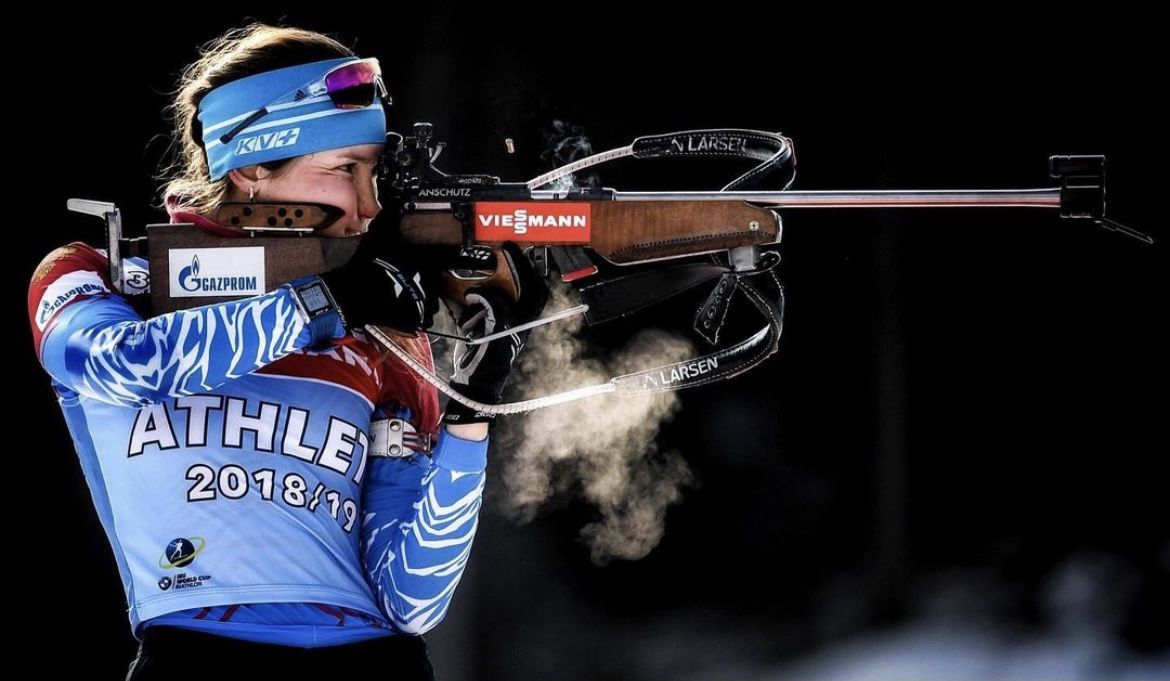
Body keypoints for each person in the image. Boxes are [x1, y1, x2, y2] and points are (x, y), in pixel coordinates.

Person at [27, 22, 546, 680]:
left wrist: (473, 409)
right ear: (251, 168)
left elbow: (411, 600)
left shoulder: (381, 332)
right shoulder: (102, 276)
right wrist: (320, 305)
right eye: (346, 169)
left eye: (375, 172)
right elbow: (122, 364)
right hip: (194, 658)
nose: (369, 206)